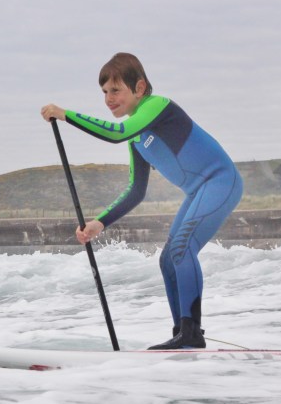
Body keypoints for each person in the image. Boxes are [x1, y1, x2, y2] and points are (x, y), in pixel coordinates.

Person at [41, 52, 243, 350]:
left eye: (115, 90)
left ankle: (191, 335)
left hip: (220, 182)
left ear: (139, 88)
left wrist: (65, 114)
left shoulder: (157, 106)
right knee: (168, 259)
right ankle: (181, 333)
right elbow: (137, 189)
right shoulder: (137, 137)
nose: (108, 99)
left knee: (182, 248)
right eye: (104, 92)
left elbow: (115, 134)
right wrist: (100, 223)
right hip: (198, 191)